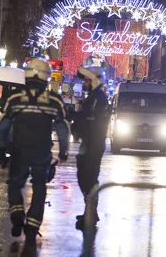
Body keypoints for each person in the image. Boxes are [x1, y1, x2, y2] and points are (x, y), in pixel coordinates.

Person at [0, 57, 69, 249]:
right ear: (46, 78)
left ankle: (17, 215)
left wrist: (1, 147)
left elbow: (3, 125)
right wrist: (63, 151)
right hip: (41, 152)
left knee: (15, 184)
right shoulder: (54, 101)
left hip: (19, 150)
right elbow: (62, 128)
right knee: (39, 188)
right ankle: (32, 225)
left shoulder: (14, 98)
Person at [72, 66, 109, 230]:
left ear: (94, 80)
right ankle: (90, 212)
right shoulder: (94, 97)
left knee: (88, 177)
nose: (84, 83)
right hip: (90, 142)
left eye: (87, 80)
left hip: (92, 143)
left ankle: (90, 214)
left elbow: (91, 121)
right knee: (86, 177)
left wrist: (77, 124)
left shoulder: (97, 99)